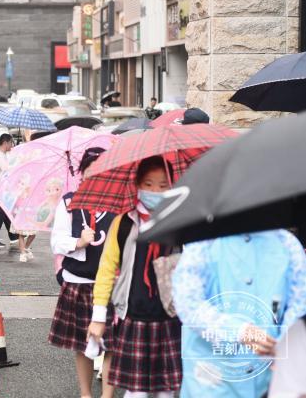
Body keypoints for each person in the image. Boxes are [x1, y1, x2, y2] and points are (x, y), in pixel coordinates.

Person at [88, 156, 182, 397]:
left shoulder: (181, 222)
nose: (155, 191)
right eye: (149, 184)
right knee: (135, 391)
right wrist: (98, 316)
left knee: (167, 390)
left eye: (163, 186)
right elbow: (107, 269)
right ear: (137, 185)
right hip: (133, 315)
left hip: (171, 317)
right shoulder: (124, 223)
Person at [173, 230, 306, 397]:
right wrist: (237, 330)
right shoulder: (203, 243)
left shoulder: (287, 243)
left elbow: (299, 301)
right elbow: (188, 301)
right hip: (211, 377)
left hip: (267, 376)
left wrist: (282, 344)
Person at [49, 147, 117, 398]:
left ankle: (107, 396)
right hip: (79, 282)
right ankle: (86, 394)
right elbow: (57, 242)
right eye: (91, 171)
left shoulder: (118, 202)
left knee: (113, 344)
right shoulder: (69, 202)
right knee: (81, 343)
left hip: (112, 282)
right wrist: (79, 242)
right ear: (82, 173)